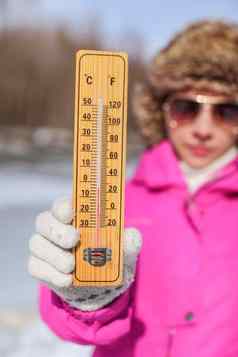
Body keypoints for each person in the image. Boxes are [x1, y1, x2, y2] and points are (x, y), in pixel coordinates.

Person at [28, 19, 238, 356]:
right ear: (160, 112)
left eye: (227, 111)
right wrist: (87, 300)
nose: (203, 129)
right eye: (186, 108)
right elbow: (80, 326)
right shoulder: (114, 201)